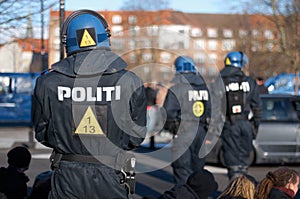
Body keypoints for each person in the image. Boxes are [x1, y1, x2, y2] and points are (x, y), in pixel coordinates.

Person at [31, 9, 147, 198]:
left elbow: (42, 133)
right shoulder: (129, 81)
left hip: (67, 177)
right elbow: (135, 136)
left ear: (67, 42)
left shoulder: (48, 82)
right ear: (105, 37)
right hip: (112, 174)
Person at [163, 55, 211, 185]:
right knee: (198, 169)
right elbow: (211, 110)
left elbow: (168, 113)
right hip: (201, 130)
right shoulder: (204, 88)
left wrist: (172, 129)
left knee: (182, 169)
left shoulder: (177, 88)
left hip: (183, 131)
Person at [220, 51, 262, 180]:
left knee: (233, 164)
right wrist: (254, 127)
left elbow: (214, 107)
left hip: (229, 124)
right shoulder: (250, 82)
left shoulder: (220, 82)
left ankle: (234, 191)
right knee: (244, 164)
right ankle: (242, 191)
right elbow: (258, 108)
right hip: (245, 125)